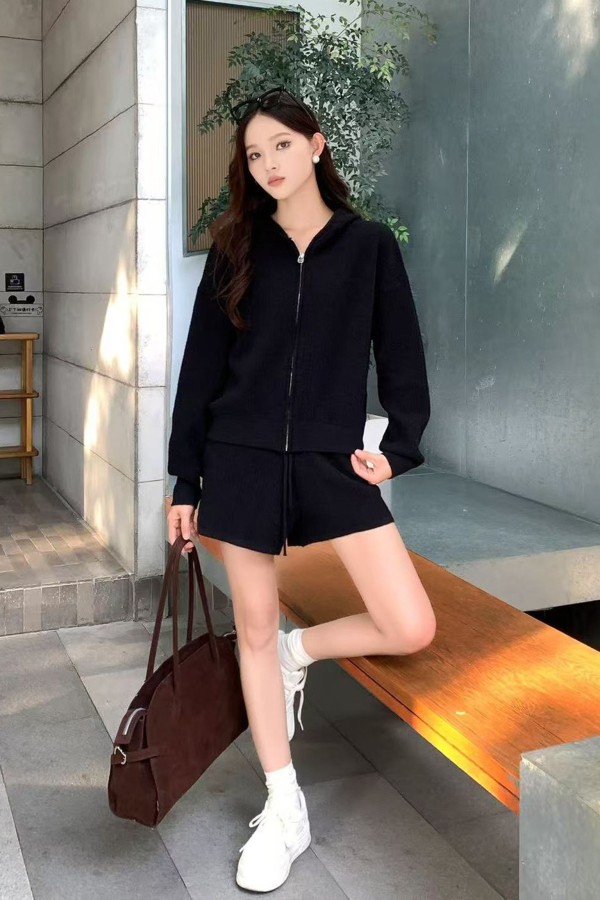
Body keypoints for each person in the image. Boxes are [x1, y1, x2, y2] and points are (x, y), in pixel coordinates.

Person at [166, 85, 436, 892]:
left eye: (281, 145)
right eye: (255, 154)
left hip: (328, 459)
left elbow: (401, 351)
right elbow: (201, 369)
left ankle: (299, 653)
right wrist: (186, 479)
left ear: (315, 145)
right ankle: (283, 807)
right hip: (239, 458)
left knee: (408, 623)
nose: (269, 164)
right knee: (251, 627)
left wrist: (401, 447)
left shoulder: (368, 245)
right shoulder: (237, 248)